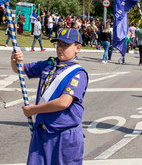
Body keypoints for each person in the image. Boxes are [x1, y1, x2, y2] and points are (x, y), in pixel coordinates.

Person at [11, 28, 88, 165]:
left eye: (65, 45)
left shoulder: (78, 73)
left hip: (64, 135)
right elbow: (19, 69)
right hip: (42, 131)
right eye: (58, 44)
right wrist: (15, 60)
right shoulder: (49, 64)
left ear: (78, 48)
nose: (60, 49)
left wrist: (35, 110)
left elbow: (64, 102)